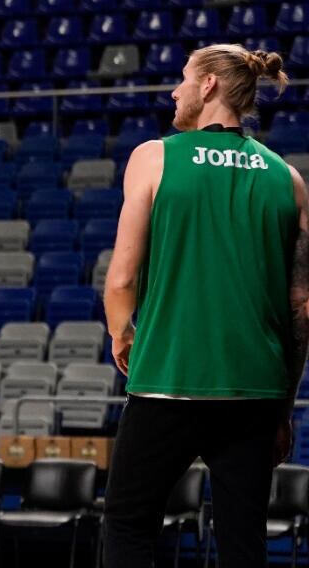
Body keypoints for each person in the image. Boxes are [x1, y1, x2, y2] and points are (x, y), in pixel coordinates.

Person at [102, 45, 309, 568]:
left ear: (210, 85)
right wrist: (282, 406)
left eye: (183, 78)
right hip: (256, 390)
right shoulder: (289, 180)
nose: (175, 90)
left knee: (129, 524)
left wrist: (122, 336)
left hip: (168, 379)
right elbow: (302, 309)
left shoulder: (155, 157)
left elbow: (122, 278)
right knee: (244, 542)